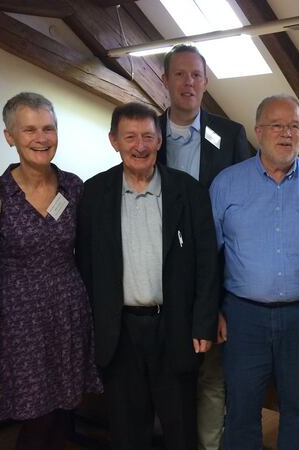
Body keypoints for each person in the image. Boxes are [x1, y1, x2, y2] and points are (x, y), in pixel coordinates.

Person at [76, 102, 219, 450]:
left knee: (180, 426)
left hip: (175, 327)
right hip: (119, 330)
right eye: (130, 137)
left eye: (147, 137)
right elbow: (85, 265)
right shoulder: (94, 193)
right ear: (114, 141)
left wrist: (203, 323)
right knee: (128, 430)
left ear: (158, 141)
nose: (139, 146)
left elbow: (207, 263)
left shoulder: (188, 191)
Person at [210, 94, 299, 450]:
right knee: (242, 411)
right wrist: (214, 308)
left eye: (294, 126)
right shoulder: (226, 184)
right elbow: (209, 257)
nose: (286, 134)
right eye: (277, 125)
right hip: (242, 317)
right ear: (258, 131)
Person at [0, 92, 102, 449]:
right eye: (29, 130)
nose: (41, 138)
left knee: (64, 400)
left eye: (49, 128)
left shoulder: (73, 186)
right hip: (19, 313)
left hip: (68, 304)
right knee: (33, 405)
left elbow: (89, 250)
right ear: (10, 136)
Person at [157, 43, 252, 450]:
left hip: (215, 275)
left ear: (206, 81)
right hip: (157, 280)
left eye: (196, 74)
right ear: (165, 80)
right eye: (180, 74)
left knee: (213, 378)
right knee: (165, 378)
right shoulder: (147, 133)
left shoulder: (230, 135)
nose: (188, 82)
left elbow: (246, 207)